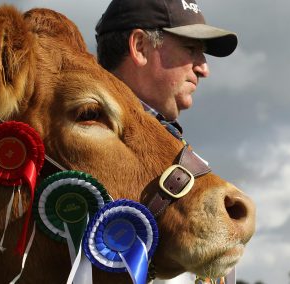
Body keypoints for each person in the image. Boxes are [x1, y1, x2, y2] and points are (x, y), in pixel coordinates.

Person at [95, 0, 238, 283]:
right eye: (190, 48)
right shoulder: (66, 139)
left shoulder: (179, 151)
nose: (203, 68)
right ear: (140, 47)